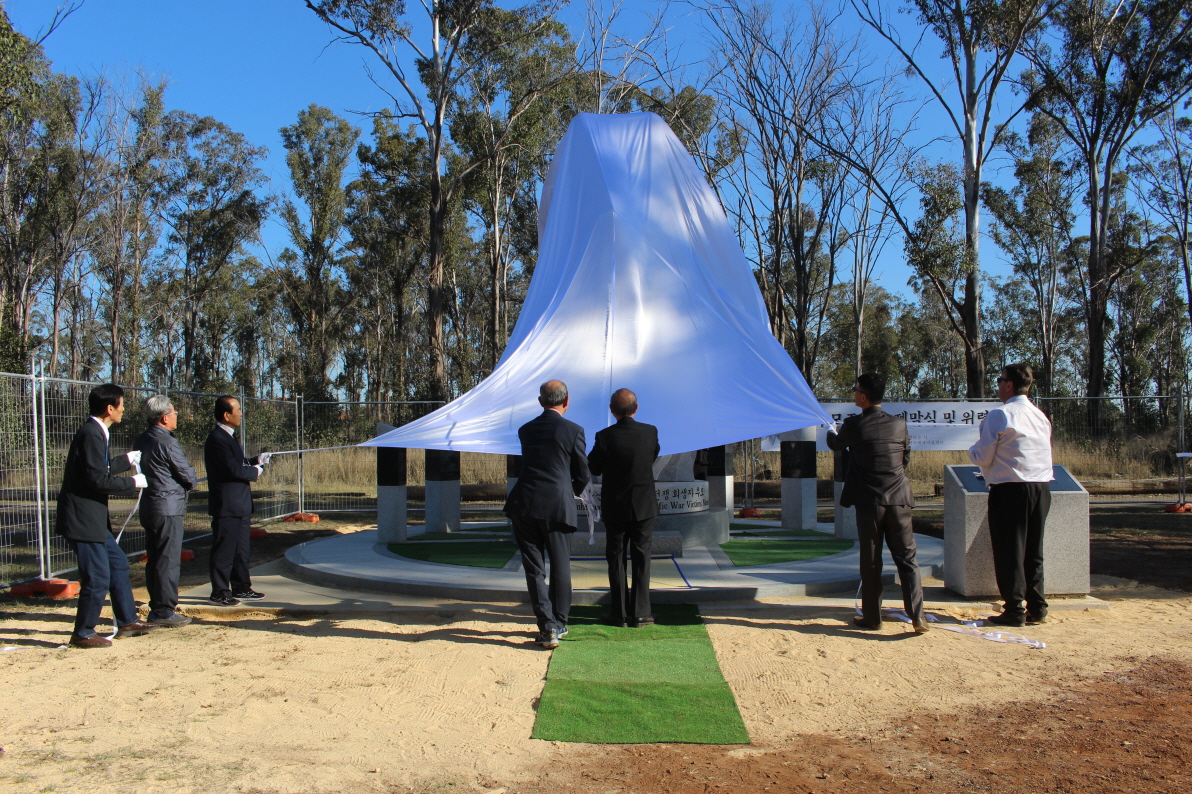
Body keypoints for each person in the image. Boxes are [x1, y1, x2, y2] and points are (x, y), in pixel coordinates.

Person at [56, 384, 157, 648]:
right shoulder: (91, 433)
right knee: (97, 576)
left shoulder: (97, 432)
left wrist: (125, 460)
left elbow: (98, 467)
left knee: (118, 565)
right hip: (82, 519)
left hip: (95, 519)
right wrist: (133, 483)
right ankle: (83, 632)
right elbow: (97, 479)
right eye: (121, 404)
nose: (124, 409)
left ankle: (126, 621)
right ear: (110, 408)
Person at [826, 372, 928, 634]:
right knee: (907, 559)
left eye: (855, 389)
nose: (853, 393)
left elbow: (835, 444)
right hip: (900, 499)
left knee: (871, 559)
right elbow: (905, 460)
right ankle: (917, 616)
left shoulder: (854, 424)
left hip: (870, 502)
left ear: (863, 395)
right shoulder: (899, 424)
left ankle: (873, 617)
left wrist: (829, 428)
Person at [503, 380, 590, 648]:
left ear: (540, 401)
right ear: (567, 401)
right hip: (557, 506)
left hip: (524, 504)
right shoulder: (573, 430)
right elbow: (582, 473)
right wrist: (568, 490)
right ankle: (560, 621)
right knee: (560, 564)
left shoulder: (525, 430)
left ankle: (547, 626)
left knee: (534, 569)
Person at [968, 363, 1053, 627]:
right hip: (1041, 486)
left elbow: (983, 455)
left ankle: (1014, 609)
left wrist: (971, 451)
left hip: (1010, 488)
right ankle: (1037, 606)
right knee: (1033, 550)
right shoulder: (1040, 415)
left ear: (1009, 385)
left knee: (1009, 550)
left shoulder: (999, 415)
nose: (998, 385)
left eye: (999, 380)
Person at [587, 388, 660, 627]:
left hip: (616, 506)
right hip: (643, 504)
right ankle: (641, 613)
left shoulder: (604, 436)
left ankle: (618, 613)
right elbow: (651, 457)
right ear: (636, 408)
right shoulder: (650, 432)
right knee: (642, 557)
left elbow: (594, 467)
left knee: (616, 558)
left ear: (612, 410)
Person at [134, 395, 198, 627]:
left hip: (150, 505)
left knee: (156, 558)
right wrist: (191, 479)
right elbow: (187, 474)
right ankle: (164, 611)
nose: (176, 416)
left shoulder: (142, 440)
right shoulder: (168, 442)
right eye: (174, 413)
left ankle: (158, 605)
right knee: (168, 560)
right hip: (168, 507)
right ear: (163, 418)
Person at [204, 395, 271, 606]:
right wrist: (254, 471)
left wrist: (255, 461)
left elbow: (237, 462)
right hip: (227, 505)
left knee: (241, 550)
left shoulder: (230, 437)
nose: (241, 414)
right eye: (238, 410)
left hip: (240, 505)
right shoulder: (217, 439)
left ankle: (242, 587)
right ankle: (220, 591)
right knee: (225, 550)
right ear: (226, 415)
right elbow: (231, 469)